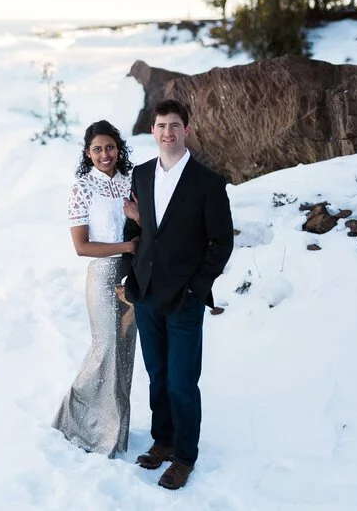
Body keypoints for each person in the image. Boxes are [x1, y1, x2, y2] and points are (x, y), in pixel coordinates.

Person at [122, 99, 234, 489]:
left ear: (187, 130)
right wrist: (128, 280)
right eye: (160, 125)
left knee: (181, 381)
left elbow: (220, 244)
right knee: (157, 376)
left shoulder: (208, 182)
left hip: (185, 299)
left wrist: (196, 288)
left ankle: (185, 455)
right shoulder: (140, 175)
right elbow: (134, 232)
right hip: (147, 294)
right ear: (152, 131)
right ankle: (163, 441)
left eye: (174, 125)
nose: (167, 132)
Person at [52, 120, 139, 458]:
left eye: (110, 147)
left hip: (132, 276)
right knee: (105, 347)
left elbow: (145, 226)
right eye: (97, 149)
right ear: (88, 153)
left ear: (119, 149)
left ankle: (113, 434)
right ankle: (74, 420)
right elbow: (81, 246)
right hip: (103, 274)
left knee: (126, 352)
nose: (105, 154)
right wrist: (126, 248)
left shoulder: (131, 182)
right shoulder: (83, 188)